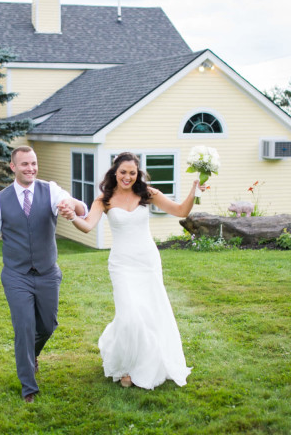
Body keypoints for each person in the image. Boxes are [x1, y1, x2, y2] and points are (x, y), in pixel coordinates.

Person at [61, 152, 203, 389]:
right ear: (115, 172)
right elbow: (86, 225)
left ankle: (144, 364)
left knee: (149, 313)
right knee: (129, 316)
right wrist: (72, 216)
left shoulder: (147, 193)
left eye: (132, 173)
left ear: (138, 174)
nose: (127, 177)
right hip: (122, 265)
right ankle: (124, 367)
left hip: (147, 262)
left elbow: (180, 211)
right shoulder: (104, 199)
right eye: (123, 172)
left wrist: (194, 190)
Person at [0, 146, 87, 403]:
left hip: (48, 272)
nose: (31, 168)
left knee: (48, 325)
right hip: (16, 275)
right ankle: (29, 387)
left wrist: (71, 204)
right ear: (13, 167)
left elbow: (80, 209)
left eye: (34, 163)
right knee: (24, 327)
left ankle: (30, 354)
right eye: (25, 164)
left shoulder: (50, 191)